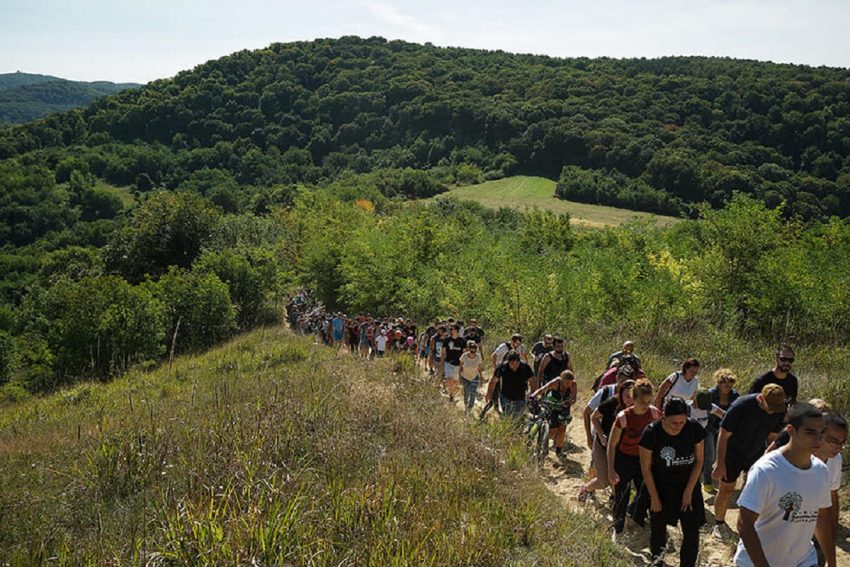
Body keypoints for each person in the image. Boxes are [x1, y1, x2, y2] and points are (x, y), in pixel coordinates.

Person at [733, 403, 836, 567]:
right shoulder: (766, 470)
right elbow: (744, 524)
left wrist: (831, 560)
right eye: (810, 432)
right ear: (791, 431)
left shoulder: (821, 471)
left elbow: (821, 518)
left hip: (802, 561)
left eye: (822, 432)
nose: (818, 439)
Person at [711, 384, 787, 540]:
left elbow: (772, 437)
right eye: (770, 407)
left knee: (752, 490)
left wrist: (769, 459)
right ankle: (718, 523)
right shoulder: (741, 405)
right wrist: (720, 463)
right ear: (761, 398)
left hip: (756, 451)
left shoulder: (778, 409)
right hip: (732, 453)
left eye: (776, 408)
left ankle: (746, 525)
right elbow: (723, 435)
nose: (772, 411)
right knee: (726, 489)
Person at [639, 397, 706, 567]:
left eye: (682, 422)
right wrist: (654, 497)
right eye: (673, 422)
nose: (678, 426)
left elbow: (699, 461)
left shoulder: (693, 428)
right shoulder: (651, 433)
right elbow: (646, 469)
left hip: (688, 484)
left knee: (691, 533)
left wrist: (689, 491)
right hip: (661, 487)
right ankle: (657, 562)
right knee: (658, 531)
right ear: (663, 416)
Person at [607, 378, 661, 539]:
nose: (646, 405)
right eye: (642, 401)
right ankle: (618, 529)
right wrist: (611, 470)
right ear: (634, 398)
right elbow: (612, 444)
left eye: (649, 401)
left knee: (646, 492)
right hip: (624, 458)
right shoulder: (623, 417)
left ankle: (635, 513)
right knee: (621, 496)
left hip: (644, 459)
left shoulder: (654, 414)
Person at [578, 379, 636, 503]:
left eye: (632, 397)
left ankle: (615, 502)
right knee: (603, 481)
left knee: (617, 478)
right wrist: (600, 434)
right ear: (620, 394)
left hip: (620, 447)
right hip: (602, 444)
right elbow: (594, 416)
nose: (629, 400)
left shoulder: (638, 408)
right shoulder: (612, 403)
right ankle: (586, 488)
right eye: (626, 396)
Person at [584, 363, 636, 450]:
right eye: (622, 381)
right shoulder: (605, 392)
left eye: (627, 383)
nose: (624, 385)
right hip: (601, 435)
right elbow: (587, 412)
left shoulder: (635, 397)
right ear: (616, 378)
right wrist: (589, 437)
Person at [704, 369, 739, 493]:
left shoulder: (734, 395)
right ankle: (707, 481)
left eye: (730, 386)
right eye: (726, 386)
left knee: (721, 455)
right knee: (711, 455)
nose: (728, 388)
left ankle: (716, 476)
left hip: (725, 429)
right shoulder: (710, 394)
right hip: (709, 427)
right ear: (719, 384)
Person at [529, 370, 577, 457]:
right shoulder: (556, 382)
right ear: (561, 380)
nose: (568, 385)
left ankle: (559, 450)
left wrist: (569, 403)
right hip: (552, 404)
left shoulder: (573, 384)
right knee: (552, 428)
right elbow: (543, 388)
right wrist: (533, 395)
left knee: (562, 428)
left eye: (569, 383)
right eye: (566, 383)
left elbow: (574, 398)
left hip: (564, 406)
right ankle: (543, 440)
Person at [688, 389, 725, 490]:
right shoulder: (687, 407)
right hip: (690, 436)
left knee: (711, 456)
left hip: (705, 432)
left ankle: (707, 481)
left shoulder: (710, 407)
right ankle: (694, 483)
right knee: (693, 459)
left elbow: (724, 415)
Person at [485, 351, 534, 418]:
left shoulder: (525, 367)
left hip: (520, 398)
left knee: (517, 419)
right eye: (512, 363)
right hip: (506, 397)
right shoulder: (502, 367)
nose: (515, 365)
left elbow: (532, 381)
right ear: (508, 361)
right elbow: (493, 382)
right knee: (507, 418)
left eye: (517, 363)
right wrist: (489, 394)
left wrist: (533, 393)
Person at [749, 344, 799, 409]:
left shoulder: (793, 381)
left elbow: (792, 403)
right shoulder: (762, 380)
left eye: (790, 360)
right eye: (783, 359)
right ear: (777, 359)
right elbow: (750, 403)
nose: (787, 363)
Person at [441, 324, 465, 402]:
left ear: (457, 331)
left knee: (455, 381)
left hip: (458, 364)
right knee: (448, 379)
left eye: (452, 329)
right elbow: (443, 352)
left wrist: (463, 365)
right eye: (450, 329)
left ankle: (453, 394)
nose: (451, 330)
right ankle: (451, 394)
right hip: (448, 362)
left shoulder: (462, 341)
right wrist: (442, 363)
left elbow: (464, 354)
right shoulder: (447, 340)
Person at [459, 340, 483, 414]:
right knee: (466, 392)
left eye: (474, 351)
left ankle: (470, 408)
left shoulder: (478, 357)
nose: (473, 353)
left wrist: (481, 378)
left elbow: (479, 368)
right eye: (471, 351)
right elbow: (460, 367)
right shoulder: (464, 356)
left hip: (474, 377)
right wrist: (459, 377)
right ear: (468, 350)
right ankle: (466, 405)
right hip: (465, 377)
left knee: (473, 393)